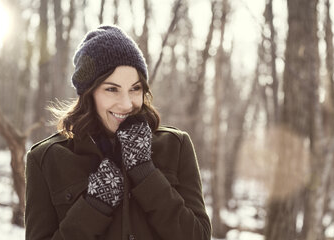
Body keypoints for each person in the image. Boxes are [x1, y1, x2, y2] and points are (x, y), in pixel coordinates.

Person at [25, 25, 211, 240]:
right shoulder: (46, 159)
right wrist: (94, 206)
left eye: (135, 88)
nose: (127, 103)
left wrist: (145, 173)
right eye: (112, 89)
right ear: (89, 93)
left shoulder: (176, 146)